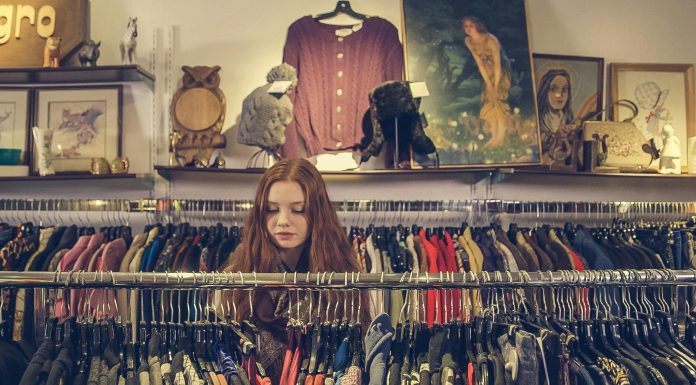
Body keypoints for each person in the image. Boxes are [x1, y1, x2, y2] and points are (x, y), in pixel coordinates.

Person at [223, 158, 370, 384]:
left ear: (316, 213)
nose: (283, 221)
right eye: (272, 210)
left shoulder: (343, 280)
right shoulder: (238, 278)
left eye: (298, 210)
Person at [461, 16, 512, 148]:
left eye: (470, 25)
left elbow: (497, 64)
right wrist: (488, 85)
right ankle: (494, 137)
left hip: (500, 72)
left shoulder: (490, 39)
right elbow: (479, 63)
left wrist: (495, 85)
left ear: (477, 25)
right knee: (490, 102)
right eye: (465, 26)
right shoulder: (468, 41)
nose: (468, 29)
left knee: (499, 103)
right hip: (487, 74)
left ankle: (500, 138)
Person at [536, 69, 576, 156]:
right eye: (553, 89)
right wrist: (553, 137)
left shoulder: (569, 118)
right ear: (545, 92)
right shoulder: (537, 119)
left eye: (564, 90)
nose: (560, 95)